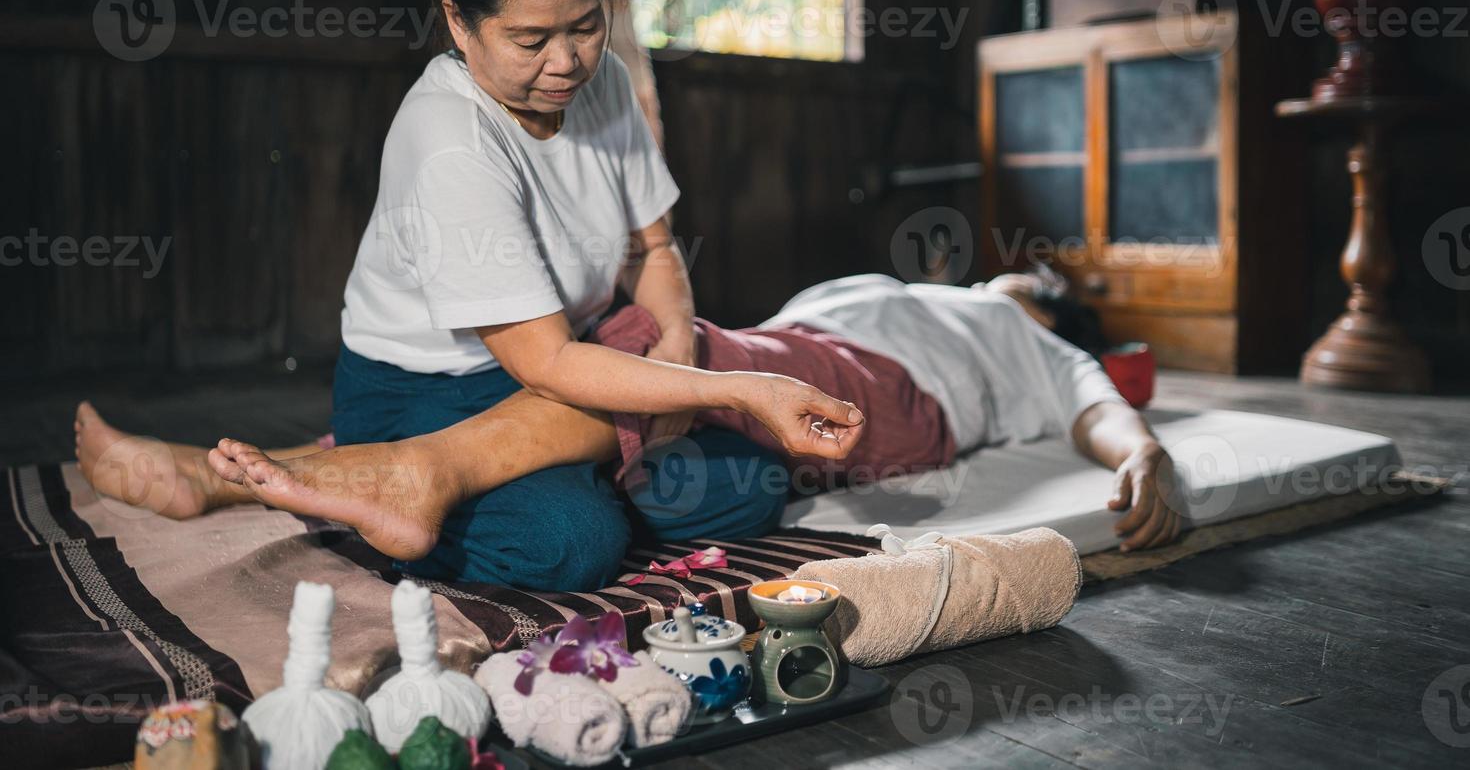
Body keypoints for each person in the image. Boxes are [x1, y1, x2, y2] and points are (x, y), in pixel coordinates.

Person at [75, 0, 864, 592]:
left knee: (749, 486)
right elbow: (549, 363)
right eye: (530, 41)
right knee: (569, 542)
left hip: (575, 366)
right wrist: (739, 387)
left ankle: (344, 473)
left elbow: (649, 249)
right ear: (459, 21)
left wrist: (680, 347)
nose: (567, 62)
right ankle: (398, 465)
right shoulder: (450, 138)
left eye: (588, 25)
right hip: (432, 392)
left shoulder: (609, 84)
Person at [79, 270, 1182, 591]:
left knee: (671, 346)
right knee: (650, 382)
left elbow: (1104, 408)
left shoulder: (1026, 333)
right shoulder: (905, 281)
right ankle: (276, 476)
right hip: (778, 355)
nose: (1010, 278)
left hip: (876, 395)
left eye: (1032, 281)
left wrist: (1146, 456)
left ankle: (257, 476)